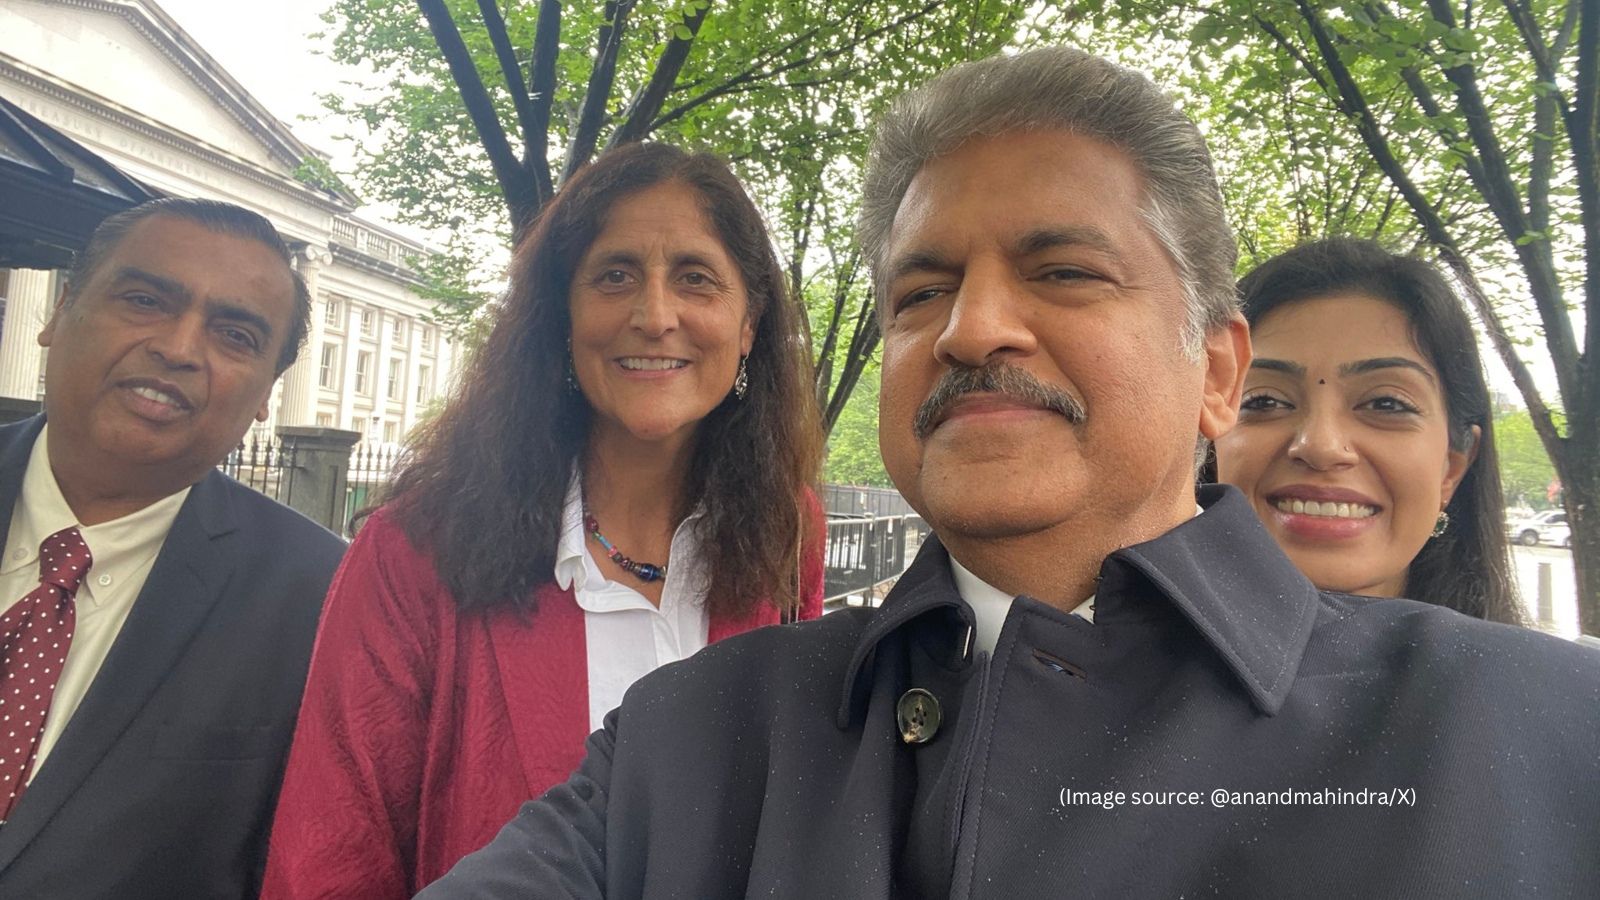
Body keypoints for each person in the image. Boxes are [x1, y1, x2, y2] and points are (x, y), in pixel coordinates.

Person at [418, 47, 1600, 898]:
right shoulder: (688, 745)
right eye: (920, 291)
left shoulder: (1537, 736)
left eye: (1064, 272)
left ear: (1217, 370)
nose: (972, 326)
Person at [261, 142, 826, 898]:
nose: (655, 316)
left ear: (749, 322)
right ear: (562, 314)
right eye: (615, 275)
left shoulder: (788, 531)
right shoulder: (415, 551)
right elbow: (327, 857)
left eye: (695, 277)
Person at [0, 198, 345, 898]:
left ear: (267, 395)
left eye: (236, 336)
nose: (180, 348)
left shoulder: (321, 598)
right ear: (59, 312)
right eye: (144, 300)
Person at [1214, 239, 1522, 623]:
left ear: (1453, 468)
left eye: (1386, 404)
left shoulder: (1541, 665)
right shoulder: (1137, 656)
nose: (1321, 446)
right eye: (1263, 401)